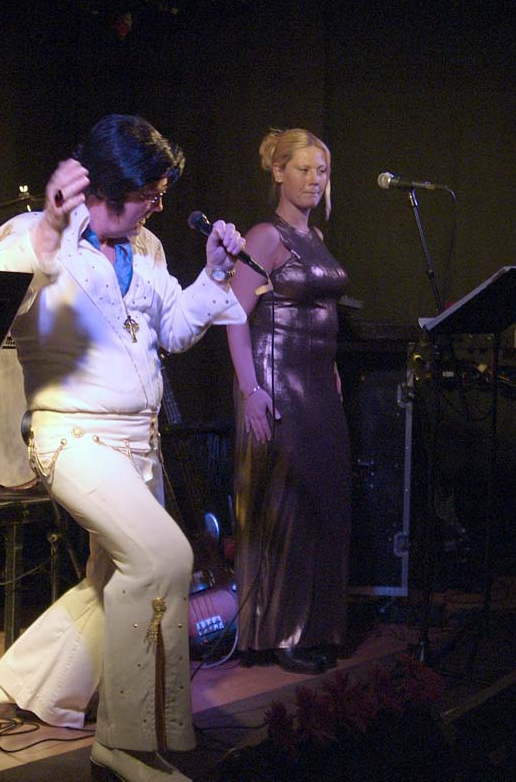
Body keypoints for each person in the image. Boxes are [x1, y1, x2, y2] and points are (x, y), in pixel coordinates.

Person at [0, 114, 247, 782]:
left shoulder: (146, 247)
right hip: (72, 438)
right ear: (106, 185)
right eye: (148, 194)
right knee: (162, 559)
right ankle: (125, 745)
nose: (157, 206)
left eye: (160, 194)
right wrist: (49, 227)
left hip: (139, 444)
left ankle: (22, 680)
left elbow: (175, 332)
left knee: (110, 583)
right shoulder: (31, 236)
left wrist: (214, 275)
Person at [224, 127, 351, 674]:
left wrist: (333, 367)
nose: (314, 180)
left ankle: (316, 625)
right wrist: (250, 389)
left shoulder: (315, 235)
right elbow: (233, 314)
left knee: (324, 503)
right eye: (303, 169)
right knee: (286, 504)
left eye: (321, 171)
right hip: (276, 381)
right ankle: (280, 631)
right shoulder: (264, 236)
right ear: (278, 172)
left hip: (318, 382)